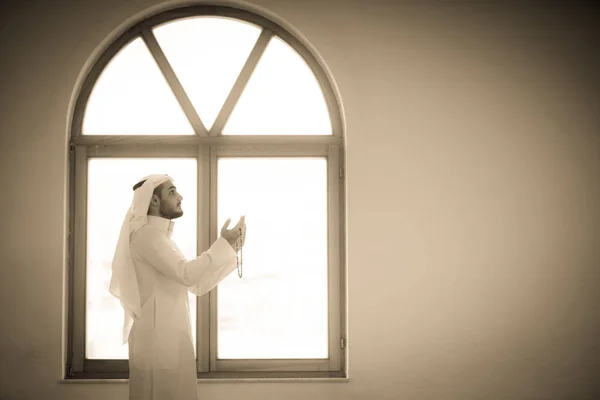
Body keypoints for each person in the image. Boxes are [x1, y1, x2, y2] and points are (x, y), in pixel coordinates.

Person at [109, 174, 245, 400]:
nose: (180, 197)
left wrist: (232, 249)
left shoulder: (161, 238)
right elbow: (186, 273)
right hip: (156, 345)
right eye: (172, 192)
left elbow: (196, 284)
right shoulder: (146, 236)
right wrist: (223, 244)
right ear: (153, 200)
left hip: (170, 342)